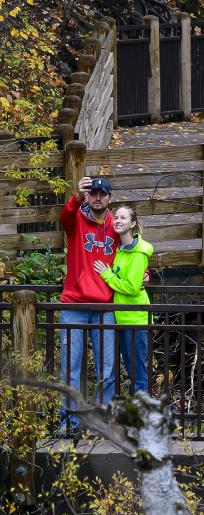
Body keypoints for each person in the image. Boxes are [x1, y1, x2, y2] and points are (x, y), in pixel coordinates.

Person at [59, 175, 119, 433]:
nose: (97, 197)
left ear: (109, 198)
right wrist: (75, 196)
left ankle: (101, 423)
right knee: (70, 368)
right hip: (74, 303)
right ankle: (70, 423)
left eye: (101, 194)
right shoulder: (76, 221)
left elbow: (131, 251)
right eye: (92, 193)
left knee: (107, 370)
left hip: (105, 306)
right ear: (87, 196)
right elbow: (64, 217)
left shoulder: (116, 225)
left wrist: (144, 274)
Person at [97, 204, 152, 394]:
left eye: (123, 218)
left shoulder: (138, 253)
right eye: (116, 218)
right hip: (122, 316)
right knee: (131, 368)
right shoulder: (120, 249)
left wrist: (107, 275)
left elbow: (131, 286)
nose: (118, 221)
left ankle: (141, 415)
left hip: (135, 318)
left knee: (138, 371)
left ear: (132, 224)